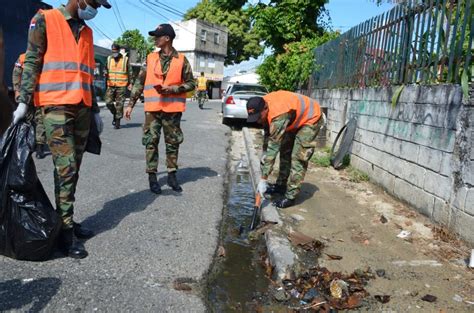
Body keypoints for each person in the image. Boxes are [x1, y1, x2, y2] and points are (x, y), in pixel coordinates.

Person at [12, 0, 111, 259]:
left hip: (81, 108)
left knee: (73, 169)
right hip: (55, 107)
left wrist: (96, 111)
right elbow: (32, 59)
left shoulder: (87, 31)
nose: (95, 10)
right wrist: (23, 101)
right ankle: (66, 233)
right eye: (92, 3)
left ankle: (65, 219)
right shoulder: (45, 19)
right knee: (65, 168)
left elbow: (87, 74)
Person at [125, 23, 195, 194]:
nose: (154, 39)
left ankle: (172, 176)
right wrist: (130, 104)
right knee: (151, 143)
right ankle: (152, 178)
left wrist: (173, 89)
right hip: (153, 110)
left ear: (167, 38)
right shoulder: (150, 58)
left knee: (172, 144)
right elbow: (139, 82)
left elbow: (192, 83)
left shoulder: (182, 60)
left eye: (157, 36)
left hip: (172, 110)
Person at [246, 90, 324, 209]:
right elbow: (268, 133)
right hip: (293, 119)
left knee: (298, 157)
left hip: (311, 119)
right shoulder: (261, 103)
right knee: (285, 151)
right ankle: (281, 186)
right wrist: (264, 153)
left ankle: (291, 196)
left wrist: (263, 179)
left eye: (258, 117)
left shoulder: (278, 114)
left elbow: (273, 147)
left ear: (265, 109)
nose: (257, 120)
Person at [12, 53, 47, 158]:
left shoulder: (46, 57)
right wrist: (17, 91)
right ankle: (27, 144)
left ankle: (40, 147)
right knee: (27, 120)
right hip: (26, 96)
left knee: (41, 120)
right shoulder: (23, 57)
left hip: (42, 94)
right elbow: (16, 74)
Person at [105, 43, 131, 129]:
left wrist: (130, 83)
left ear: (119, 51)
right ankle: (115, 114)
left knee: (120, 104)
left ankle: (117, 121)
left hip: (121, 85)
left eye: (115, 51)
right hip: (111, 84)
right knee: (108, 102)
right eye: (112, 51)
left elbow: (130, 72)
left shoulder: (125, 59)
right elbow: (106, 70)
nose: (114, 53)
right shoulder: (109, 59)